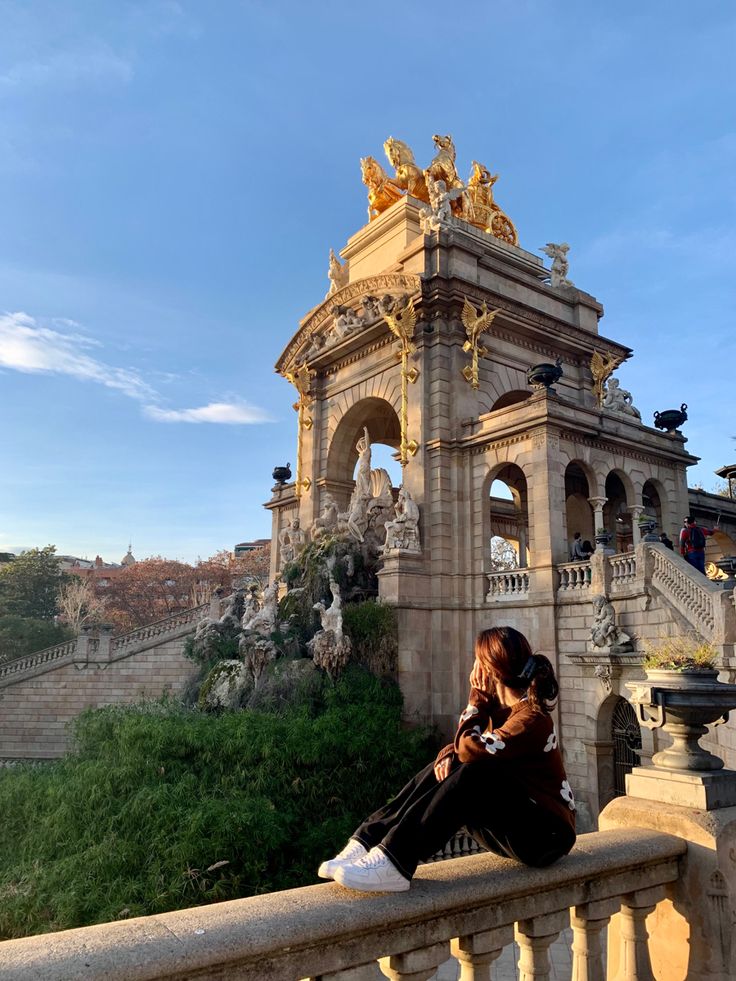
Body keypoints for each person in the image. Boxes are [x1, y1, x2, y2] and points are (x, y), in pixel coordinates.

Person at [318, 626, 576, 893]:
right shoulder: (504, 712)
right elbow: (469, 748)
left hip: (548, 836)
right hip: (527, 826)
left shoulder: (530, 719)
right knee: (449, 766)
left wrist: (476, 699)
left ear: (490, 671)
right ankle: (368, 840)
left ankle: (397, 862)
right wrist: (453, 751)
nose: (473, 669)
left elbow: (472, 750)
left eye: (477, 662)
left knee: (473, 773)